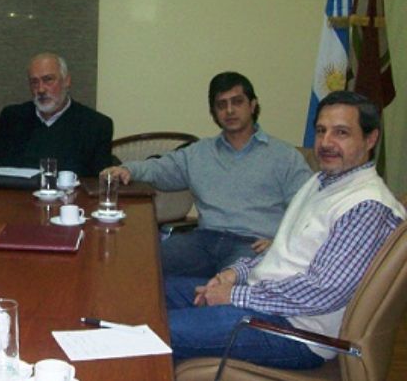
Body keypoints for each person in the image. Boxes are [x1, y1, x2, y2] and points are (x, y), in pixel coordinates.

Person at [166, 91, 406, 369]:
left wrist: (233, 295)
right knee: (156, 294)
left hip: (296, 332)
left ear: (371, 138)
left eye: (341, 133)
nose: (326, 142)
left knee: (157, 331)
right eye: (321, 131)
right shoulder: (322, 181)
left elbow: (322, 292)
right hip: (265, 304)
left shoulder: (366, 206)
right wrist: (237, 272)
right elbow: (285, 251)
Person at [103, 72, 312, 276]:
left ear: (253, 105)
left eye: (237, 102)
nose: (229, 110)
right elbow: (161, 168)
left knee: (235, 288)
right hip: (203, 241)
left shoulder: (284, 156)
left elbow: (309, 207)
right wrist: (127, 169)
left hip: (252, 245)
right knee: (136, 262)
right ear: (214, 113)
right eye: (221, 105)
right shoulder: (200, 152)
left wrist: (282, 241)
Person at [0, 52, 113, 177]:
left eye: (48, 80)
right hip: (13, 200)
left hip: (69, 201)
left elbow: (100, 183)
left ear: (66, 81)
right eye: (34, 82)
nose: (41, 89)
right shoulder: (13, 118)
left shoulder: (96, 125)